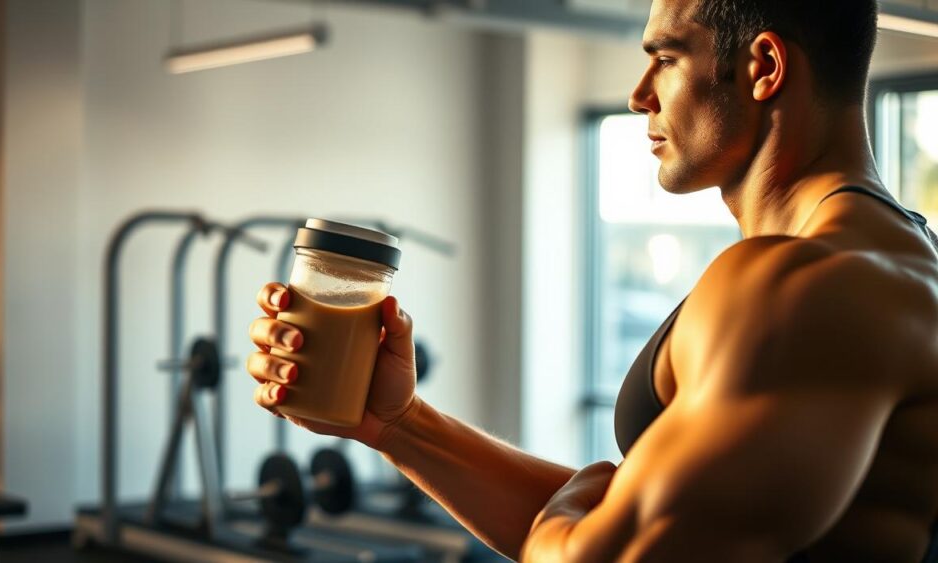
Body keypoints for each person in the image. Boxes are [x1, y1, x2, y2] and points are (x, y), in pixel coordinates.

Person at [247, 0, 938, 560]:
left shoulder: (802, 289)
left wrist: (591, 498)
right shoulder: (887, 258)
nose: (639, 97)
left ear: (762, 65)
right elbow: (643, 527)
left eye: (665, 58)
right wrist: (397, 425)